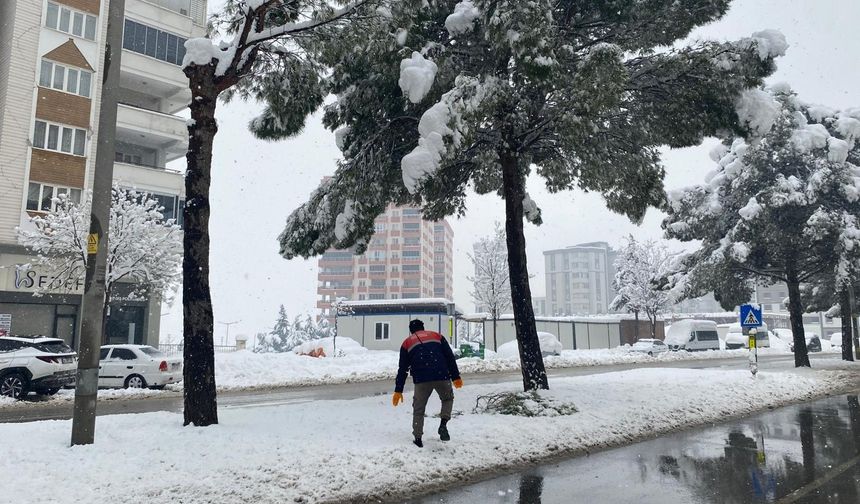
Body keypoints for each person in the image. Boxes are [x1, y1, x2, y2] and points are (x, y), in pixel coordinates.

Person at [392, 319, 463, 447]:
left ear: (411, 330)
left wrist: (398, 390)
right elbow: (450, 357)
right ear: (423, 327)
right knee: (447, 399)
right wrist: (456, 377)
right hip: (442, 375)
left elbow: (403, 369)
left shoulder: (407, 343)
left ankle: (418, 439)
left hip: (421, 379)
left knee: (418, 409)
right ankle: (443, 424)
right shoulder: (437, 336)